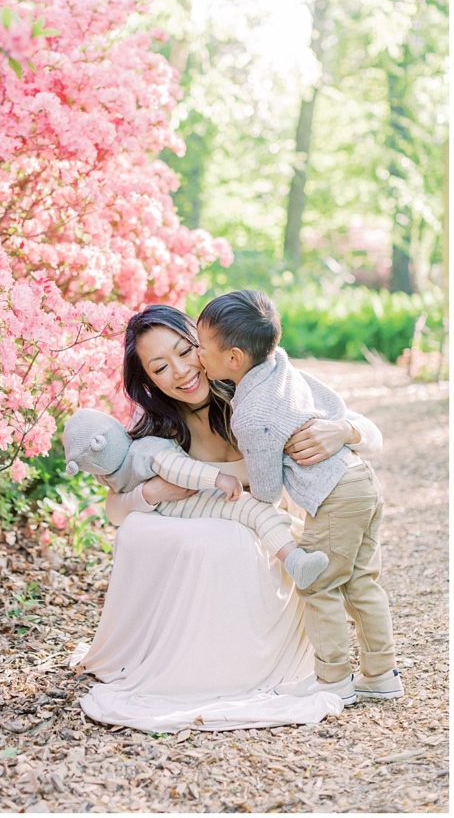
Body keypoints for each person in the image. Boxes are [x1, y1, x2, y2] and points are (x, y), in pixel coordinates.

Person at [74, 304, 383, 732]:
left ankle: (366, 671)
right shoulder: (159, 431)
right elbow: (114, 508)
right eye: (161, 367)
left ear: (208, 345)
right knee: (155, 529)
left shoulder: (258, 386)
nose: (181, 372)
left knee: (266, 551)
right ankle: (195, 662)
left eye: (186, 351)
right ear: (148, 380)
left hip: (271, 537)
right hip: (214, 547)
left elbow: (370, 432)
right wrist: (153, 491)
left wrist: (345, 432)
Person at [197, 289, 403, 705]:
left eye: (201, 347)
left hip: (332, 495)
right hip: (359, 479)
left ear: (233, 359)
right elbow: (332, 404)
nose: (197, 355)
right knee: (361, 581)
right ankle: (381, 673)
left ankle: (333, 680)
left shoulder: (251, 412)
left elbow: (268, 488)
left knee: (319, 583)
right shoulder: (280, 364)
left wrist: (260, 507)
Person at [62, 407, 329, 589]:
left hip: (176, 512)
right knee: (256, 512)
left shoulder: (110, 476)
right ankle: (295, 561)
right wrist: (217, 478)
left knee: (255, 516)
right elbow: (179, 468)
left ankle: (295, 557)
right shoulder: (145, 451)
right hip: (199, 498)